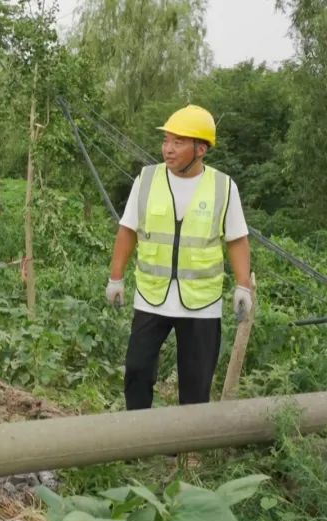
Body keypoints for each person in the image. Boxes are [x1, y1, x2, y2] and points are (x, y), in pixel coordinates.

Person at [106, 105, 252, 410]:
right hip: (151, 295)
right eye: (166, 141)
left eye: (178, 142)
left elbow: (237, 240)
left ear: (201, 149)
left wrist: (242, 286)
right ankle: (139, 439)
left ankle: (190, 452)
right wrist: (116, 278)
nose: (168, 150)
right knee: (137, 369)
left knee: (196, 381)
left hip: (202, 302)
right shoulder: (146, 180)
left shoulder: (224, 187)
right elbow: (127, 231)